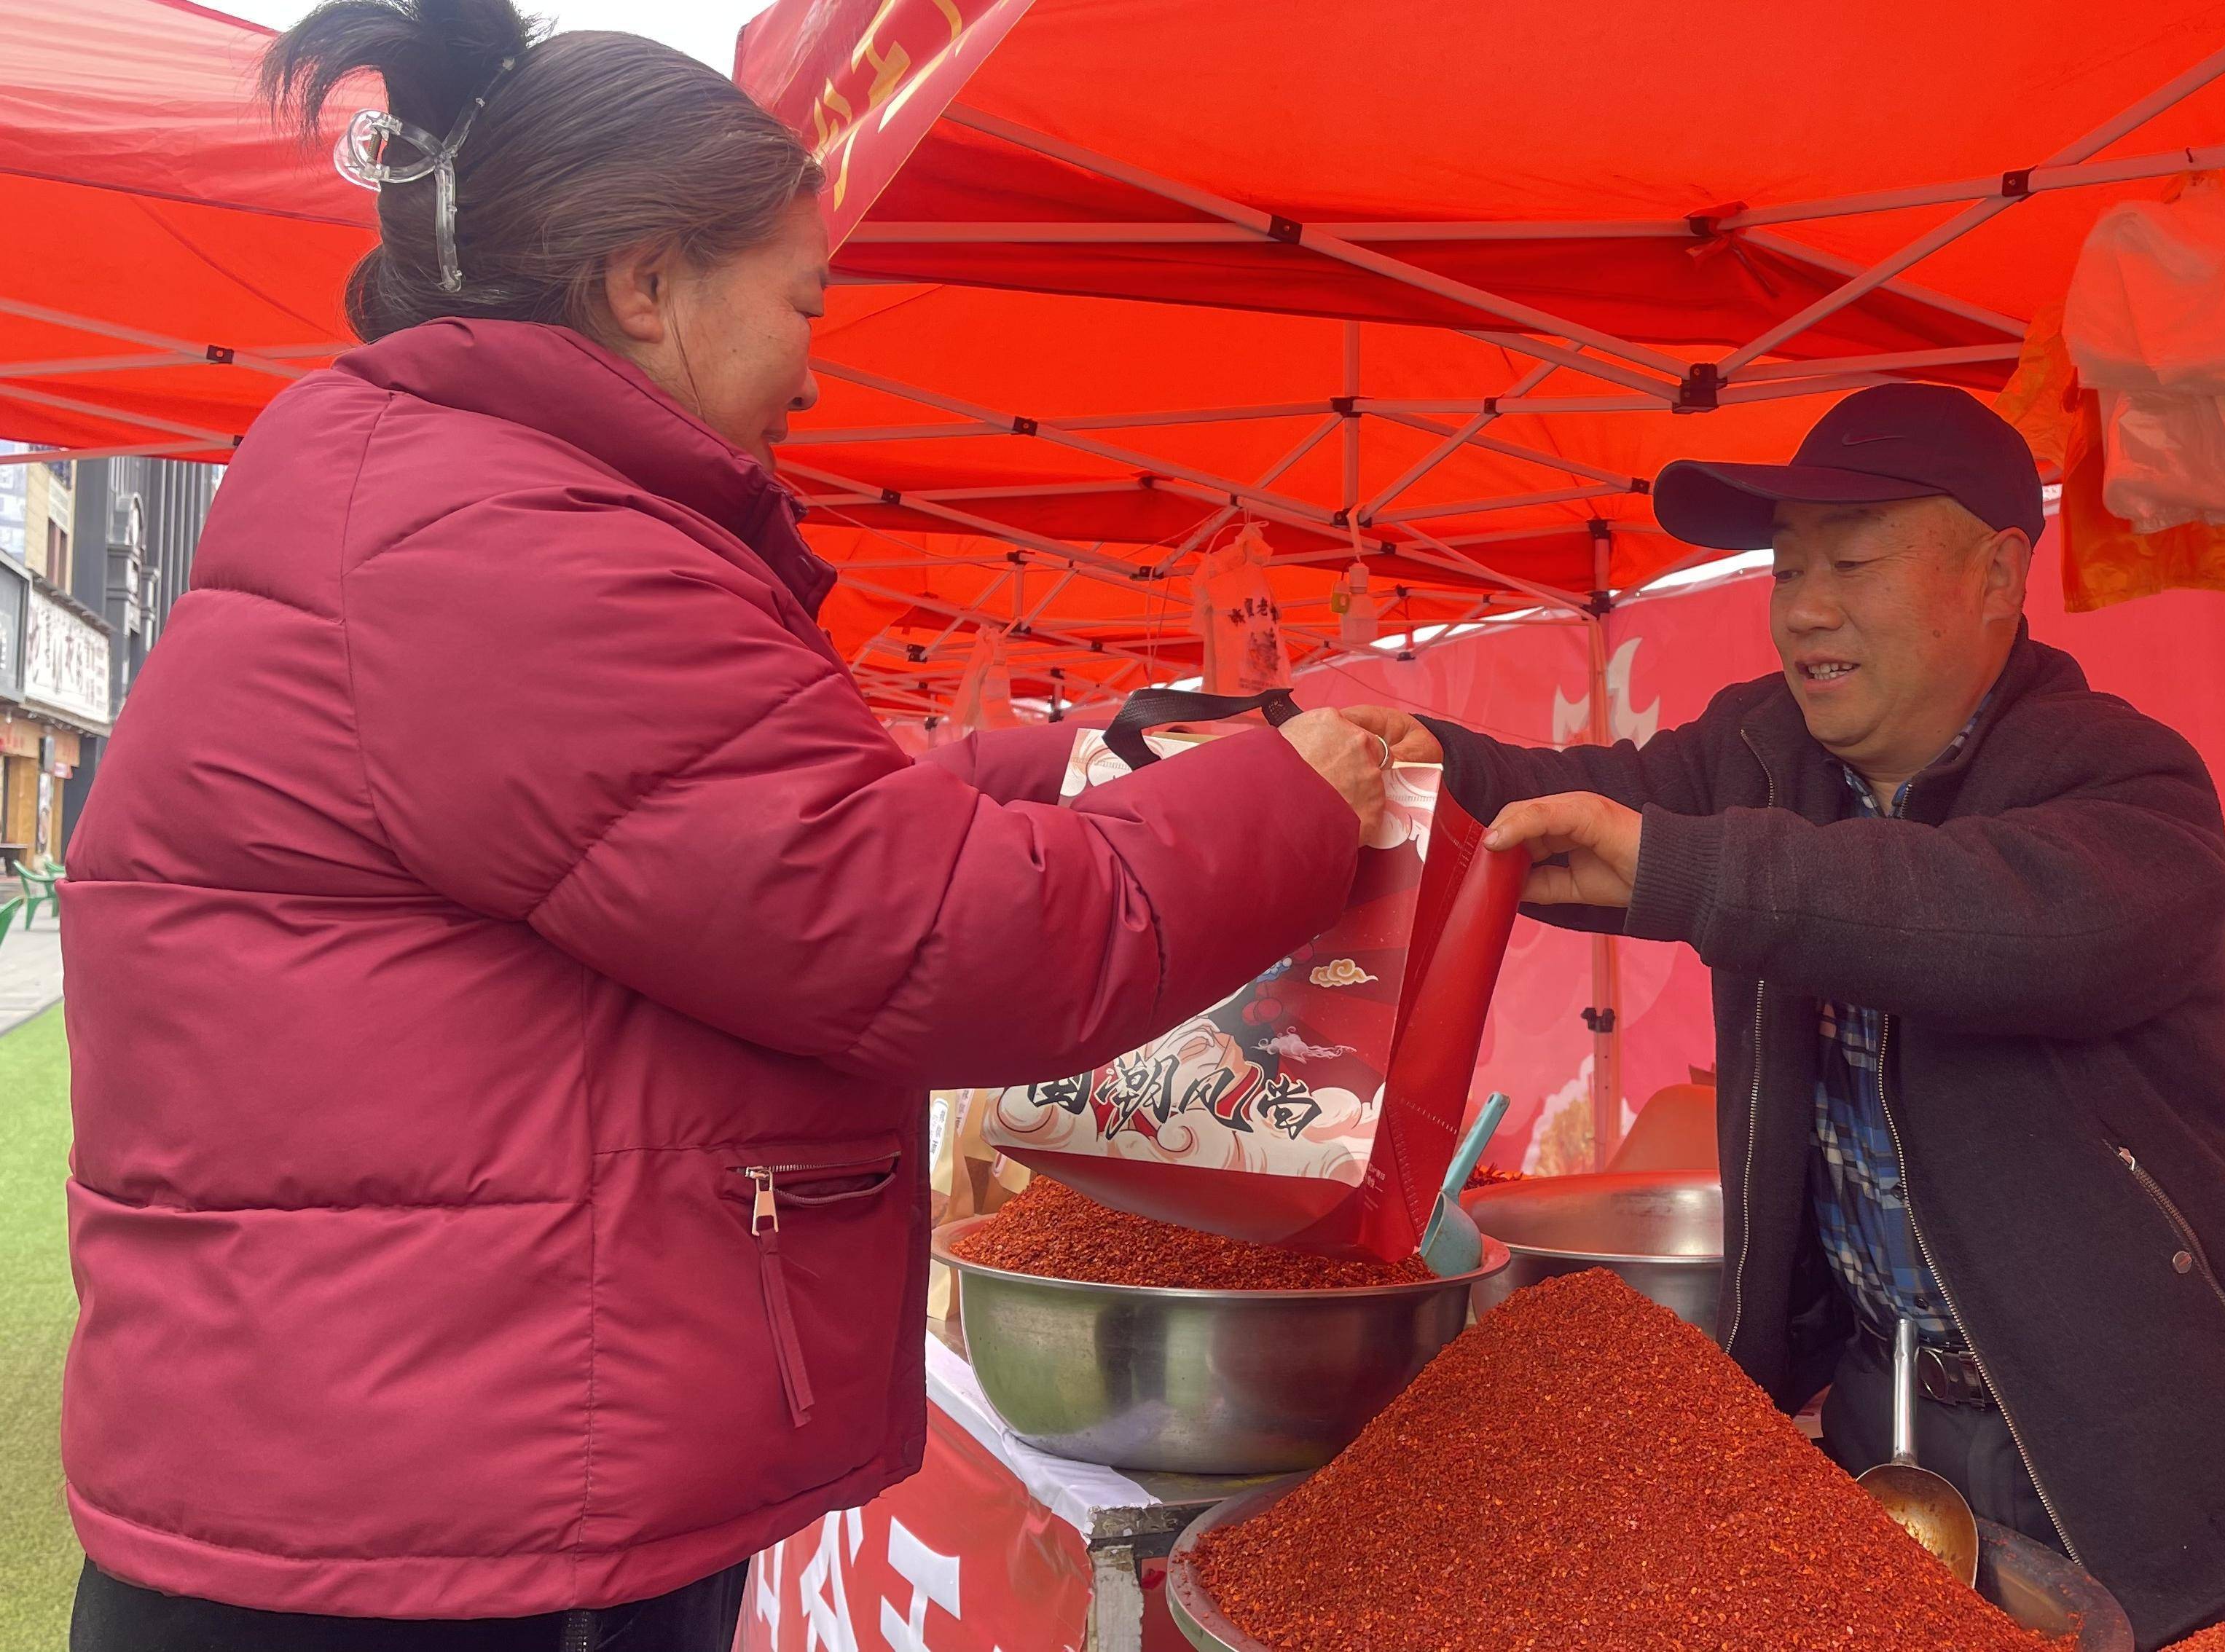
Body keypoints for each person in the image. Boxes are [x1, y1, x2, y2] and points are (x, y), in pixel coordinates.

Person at [58, 3, 1405, 1646]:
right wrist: (1292, 804)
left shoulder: (433, 503)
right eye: (800, 302)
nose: (817, 370)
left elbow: (765, 831)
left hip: (379, 1475)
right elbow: (944, 936)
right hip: (450, 1539)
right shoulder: (509, 551)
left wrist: (1086, 765)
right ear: (645, 283)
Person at [1373, 383, 2225, 1647]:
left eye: (1852, 563)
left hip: (2158, 1447)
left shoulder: (2127, 777)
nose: (1807, 609)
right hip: (1889, 1418)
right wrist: (1396, 756)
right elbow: (1563, 791)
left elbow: (1987, 919)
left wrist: (1692, 872)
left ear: (2001, 576)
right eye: (1787, 570)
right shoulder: (1757, 752)